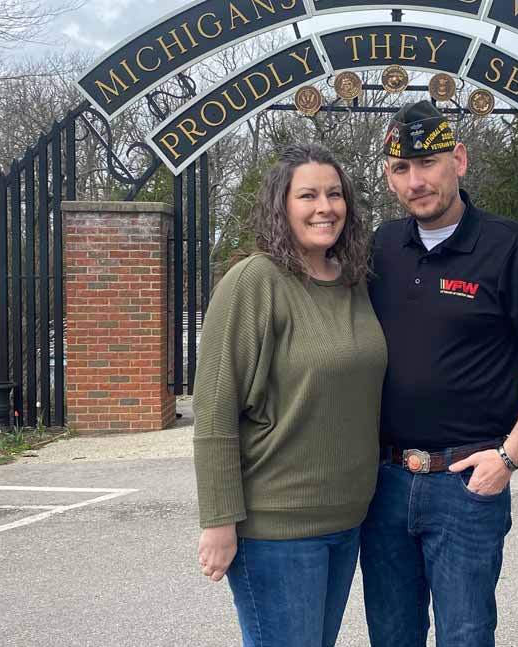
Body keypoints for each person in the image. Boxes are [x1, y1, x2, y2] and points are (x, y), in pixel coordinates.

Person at [362, 100, 518, 646]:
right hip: (382, 486)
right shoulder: (380, 249)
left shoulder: (508, 248)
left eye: (429, 162)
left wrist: (510, 457)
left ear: (458, 159)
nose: (416, 181)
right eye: (400, 169)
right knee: (391, 636)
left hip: (467, 485)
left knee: (465, 635)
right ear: (389, 178)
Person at [191, 143, 387, 647]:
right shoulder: (254, 282)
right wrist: (219, 522)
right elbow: (214, 411)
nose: (325, 207)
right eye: (308, 195)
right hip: (277, 528)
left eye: (334, 193)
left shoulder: (354, 282)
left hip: (346, 520)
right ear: (281, 206)